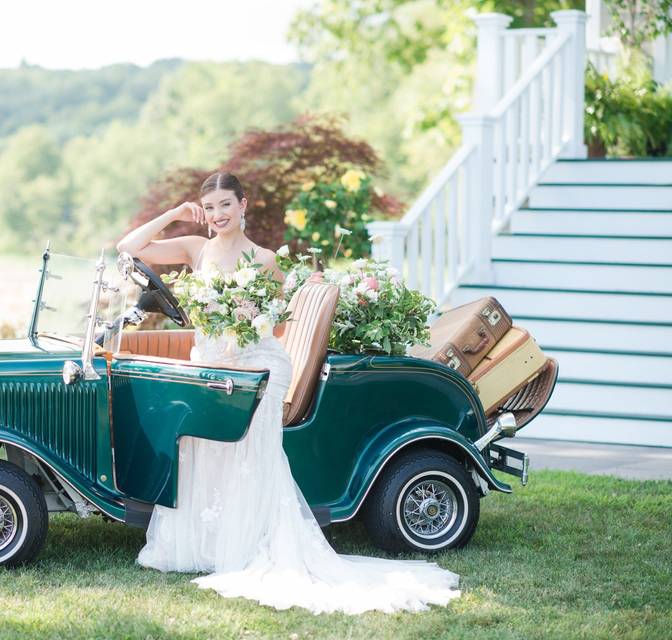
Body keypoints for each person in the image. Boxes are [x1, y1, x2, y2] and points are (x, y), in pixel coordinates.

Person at [115, 172, 462, 615]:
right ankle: (204, 544)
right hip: (210, 361)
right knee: (197, 439)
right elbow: (130, 247)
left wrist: (236, 325)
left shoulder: (263, 260)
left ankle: (244, 544)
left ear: (244, 205)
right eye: (211, 206)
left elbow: (274, 326)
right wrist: (176, 214)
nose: (219, 214)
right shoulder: (194, 248)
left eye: (227, 204)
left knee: (243, 439)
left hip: (256, 363)